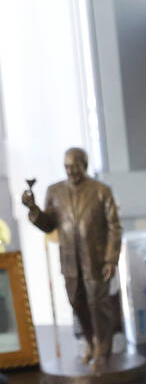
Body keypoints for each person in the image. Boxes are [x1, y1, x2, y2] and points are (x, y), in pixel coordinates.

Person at [21, 147, 122, 370]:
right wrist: (33, 209)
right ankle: (90, 342)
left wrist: (111, 259)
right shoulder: (55, 191)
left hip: (96, 261)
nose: (71, 171)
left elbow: (114, 227)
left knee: (98, 304)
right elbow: (48, 225)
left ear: (84, 165)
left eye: (75, 166)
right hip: (69, 263)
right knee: (77, 303)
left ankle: (103, 352)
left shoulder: (101, 191)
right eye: (67, 167)